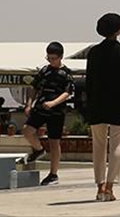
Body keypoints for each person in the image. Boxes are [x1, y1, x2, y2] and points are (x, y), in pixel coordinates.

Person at [86, 13, 120, 202]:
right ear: (118, 29)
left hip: (97, 105)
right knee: (116, 145)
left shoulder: (93, 52)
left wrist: (89, 105)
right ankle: (110, 186)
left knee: (98, 146)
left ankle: (99, 185)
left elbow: (89, 81)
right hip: (119, 105)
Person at [23, 41, 75, 186]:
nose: (51, 61)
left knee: (54, 142)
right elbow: (34, 87)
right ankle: (39, 149)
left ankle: (53, 174)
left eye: (54, 58)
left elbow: (67, 93)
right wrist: (29, 104)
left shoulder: (66, 74)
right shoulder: (44, 70)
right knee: (28, 130)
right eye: (49, 58)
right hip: (41, 107)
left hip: (56, 111)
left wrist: (53, 103)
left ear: (60, 57)